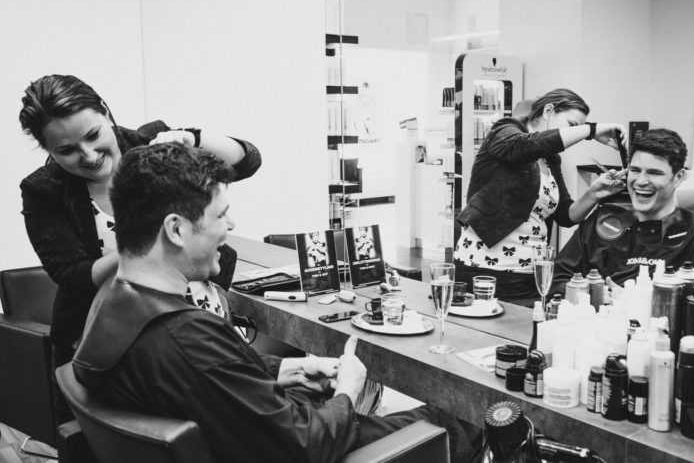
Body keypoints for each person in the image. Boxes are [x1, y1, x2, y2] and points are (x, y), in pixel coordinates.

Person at [72, 143, 482, 463]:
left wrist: (292, 368)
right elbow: (307, 445)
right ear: (176, 230)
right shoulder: (184, 336)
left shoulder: (111, 302)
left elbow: (210, 379)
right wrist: (347, 389)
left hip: (244, 440)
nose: (230, 226)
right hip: (297, 449)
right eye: (221, 215)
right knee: (457, 422)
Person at [18, 74, 261, 422]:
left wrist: (191, 138)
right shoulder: (44, 189)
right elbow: (72, 277)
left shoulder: (150, 146)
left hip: (198, 317)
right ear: (48, 149)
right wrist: (146, 242)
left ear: (106, 112)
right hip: (110, 343)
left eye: (93, 135)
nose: (88, 155)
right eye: (66, 151)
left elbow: (247, 161)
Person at [454, 88, 627, 306]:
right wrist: (591, 131)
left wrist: (595, 193)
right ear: (548, 111)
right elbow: (525, 146)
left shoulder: (550, 159)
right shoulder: (505, 131)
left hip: (531, 274)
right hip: (487, 270)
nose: (577, 135)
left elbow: (566, 215)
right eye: (572, 125)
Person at [552, 128, 694, 291]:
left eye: (654, 173)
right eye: (635, 170)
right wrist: (597, 295)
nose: (640, 181)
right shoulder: (603, 222)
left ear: (679, 177)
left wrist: (641, 299)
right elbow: (557, 280)